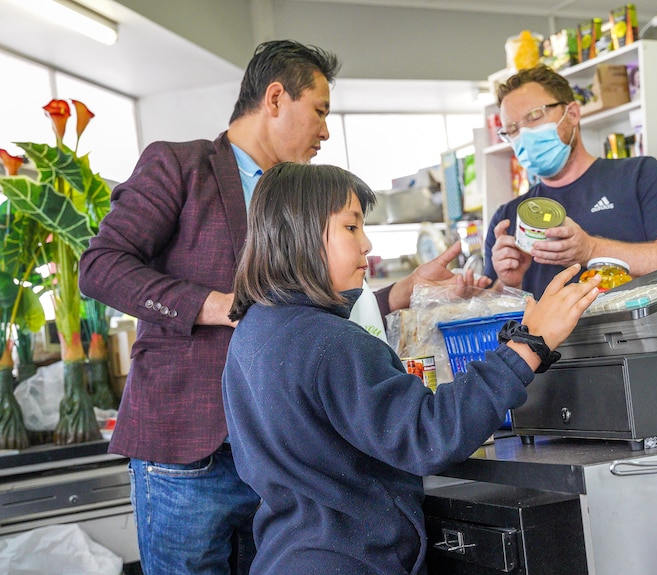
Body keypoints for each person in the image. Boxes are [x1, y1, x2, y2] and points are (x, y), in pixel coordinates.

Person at [78, 40, 486, 575]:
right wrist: (214, 304)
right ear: (275, 98)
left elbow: (306, 311)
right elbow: (100, 266)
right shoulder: (180, 166)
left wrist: (400, 293)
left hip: (278, 465)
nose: (325, 131)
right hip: (189, 451)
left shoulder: (297, 197)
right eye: (319, 111)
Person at [222, 161, 602, 575]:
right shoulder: (332, 344)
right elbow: (429, 435)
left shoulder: (254, 329)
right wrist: (530, 343)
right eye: (351, 228)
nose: (366, 244)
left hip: (285, 556)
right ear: (300, 233)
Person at [484, 65, 657, 299]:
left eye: (535, 116)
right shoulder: (507, 218)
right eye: (512, 129)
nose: (525, 135)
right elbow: (489, 312)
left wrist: (591, 250)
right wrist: (508, 282)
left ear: (572, 113)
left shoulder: (639, 175)